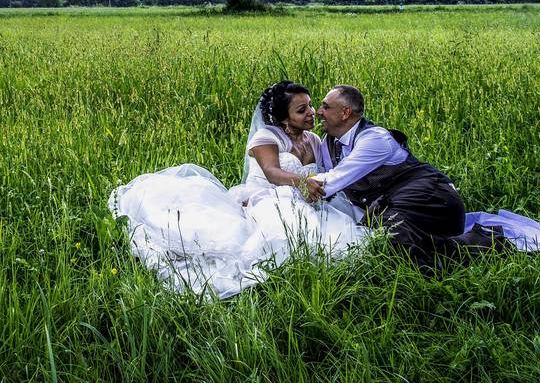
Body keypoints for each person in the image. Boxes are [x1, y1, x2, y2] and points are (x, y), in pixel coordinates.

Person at [109, 81, 368, 299]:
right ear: (283, 118)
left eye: (311, 105)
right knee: (280, 235)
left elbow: (328, 171)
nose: (312, 112)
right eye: (302, 110)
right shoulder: (267, 137)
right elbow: (273, 173)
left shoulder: (314, 139)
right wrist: (301, 182)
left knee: (336, 232)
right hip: (264, 198)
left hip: (301, 199)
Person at [310, 85, 465, 266]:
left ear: (345, 113)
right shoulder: (327, 144)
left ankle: (474, 247)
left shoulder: (375, 139)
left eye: (326, 107)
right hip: (391, 203)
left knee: (388, 237)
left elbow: (331, 181)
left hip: (432, 199)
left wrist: (295, 187)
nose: (319, 112)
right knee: (373, 238)